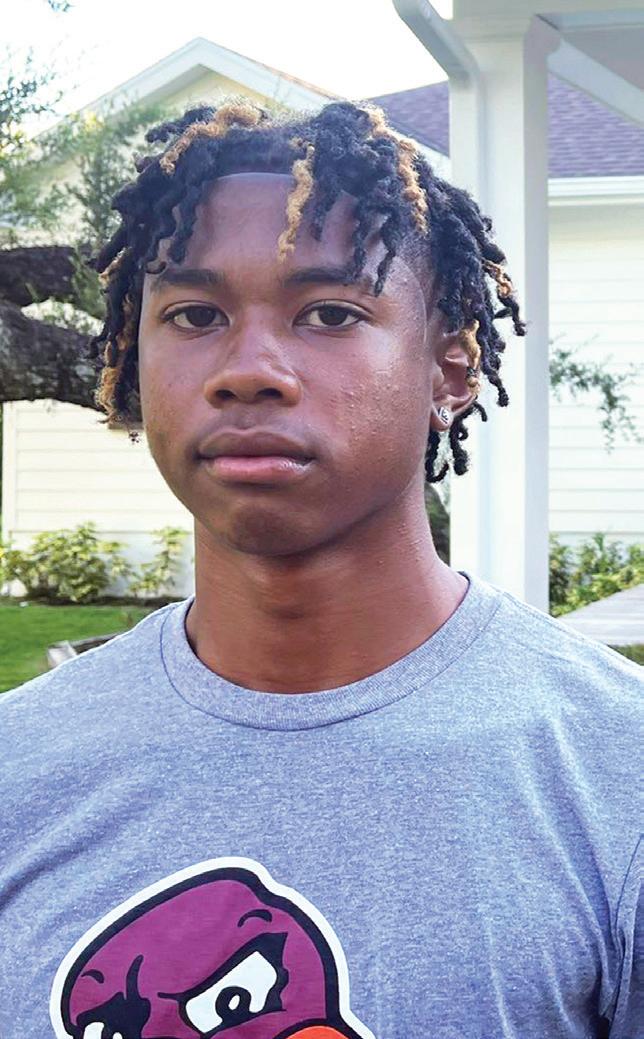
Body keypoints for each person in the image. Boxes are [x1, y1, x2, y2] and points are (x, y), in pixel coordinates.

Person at [0, 98, 640, 1039]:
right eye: (195, 314)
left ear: (452, 371)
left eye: (330, 313)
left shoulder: (618, 771)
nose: (249, 369)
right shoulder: (20, 765)